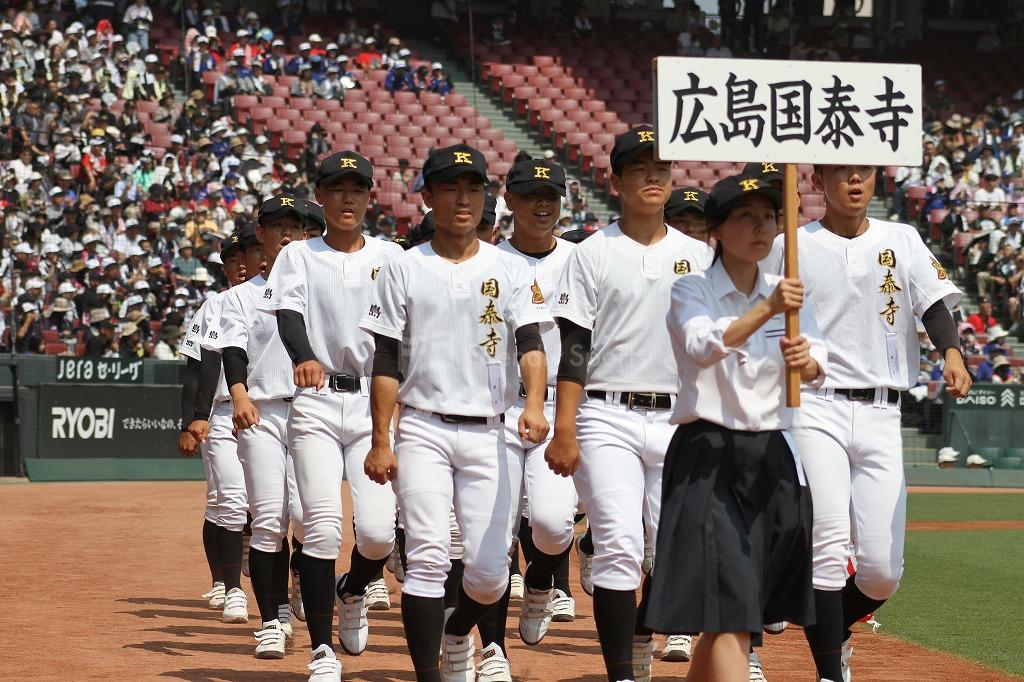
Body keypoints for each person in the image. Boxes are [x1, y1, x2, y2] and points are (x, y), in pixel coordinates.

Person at [762, 164, 972, 682]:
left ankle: (830, 630)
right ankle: (829, 672)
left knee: (881, 574)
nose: (854, 181)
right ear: (817, 182)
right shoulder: (792, 245)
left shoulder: (901, 237)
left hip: (882, 409)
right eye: (842, 173)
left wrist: (951, 351)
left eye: (864, 172)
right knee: (830, 546)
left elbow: (932, 304)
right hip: (816, 407)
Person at [361, 144, 552, 682]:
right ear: (428, 196)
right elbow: (386, 357)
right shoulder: (402, 266)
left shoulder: (508, 268)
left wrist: (534, 403)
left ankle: (456, 632)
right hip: (423, 425)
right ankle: (429, 672)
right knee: (426, 557)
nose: (464, 198)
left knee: (490, 574)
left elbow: (531, 341)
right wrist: (381, 438)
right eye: (451, 187)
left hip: (493, 429)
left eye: (473, 188)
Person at [545, 126, 713, 682]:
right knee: (618, 543)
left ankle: (642, 630)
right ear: (615, 180)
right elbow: (574, 348)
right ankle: (620, 673)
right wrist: (564, 428)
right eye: (639, 168)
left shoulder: (699, 255)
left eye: (661, 168)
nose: (652, 177)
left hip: (680, 415)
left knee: (674, 548)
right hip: (606, 411)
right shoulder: (591, 253)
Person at [647, 173, 822, 682]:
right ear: (717, 230)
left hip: (772, 456)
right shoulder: (692, 289)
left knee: (738, 608)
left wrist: (807, 361)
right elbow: (703, 346)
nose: (761, 226)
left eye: (769, 216)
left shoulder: (787, 295)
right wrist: (769, 309)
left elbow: (818, 363)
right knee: (733, 606)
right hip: (709, 456)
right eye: (746, 216)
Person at [257, 153, 403, 682]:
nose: (348, 198)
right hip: (317, 400)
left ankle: (353, 590)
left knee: (379, 533)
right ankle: (322, 650)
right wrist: (304, 356)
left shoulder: (391, 255)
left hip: (373, 400)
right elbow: (288, 313)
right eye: (337, 188)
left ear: (369, 197)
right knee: (320, 527)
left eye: (357, 189)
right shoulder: (298, 254)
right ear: (320, 196)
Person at [202, 207, 307, 662]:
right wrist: (234, 396)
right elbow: (224, 354)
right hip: (258, 410)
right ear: (261, 235)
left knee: (308, 518)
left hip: (313, 411)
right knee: (265, 518)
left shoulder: (317, 285)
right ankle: (272, 614)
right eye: (278, 226)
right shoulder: (238, 298)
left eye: (295, 227)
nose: (286, 234)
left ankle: (311, 587)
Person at [491, 159, 579, 667]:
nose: (542, 204)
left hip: (559, 407)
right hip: (501, 406)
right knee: (496, 538)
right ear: (510, 201)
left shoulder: (581, 259)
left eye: (551, 195)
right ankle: (494, 650)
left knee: (552, 524)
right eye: (530, 195)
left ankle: (542, 580)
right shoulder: (490, 260)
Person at [180, 232, 249, 618]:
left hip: (268, 411)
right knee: (223, 500)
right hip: (220, 410)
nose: (241, 264)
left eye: (246, 255)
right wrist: (190, 420)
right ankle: (224, 581)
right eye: (233, 259)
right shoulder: (214, 305)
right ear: (224, 268)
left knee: (261, 503)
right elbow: (195, 369)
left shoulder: (276, 298)